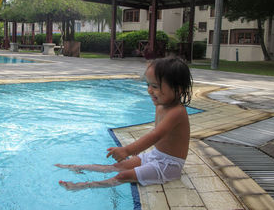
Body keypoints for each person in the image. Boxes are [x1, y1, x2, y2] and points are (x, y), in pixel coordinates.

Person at [55, 56, 193, 190]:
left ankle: (85, 186)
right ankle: (79, 167)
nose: (149, 90)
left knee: (123, 175)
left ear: (178, 88)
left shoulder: (177, 112)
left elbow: (155, 135)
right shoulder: (160, 105)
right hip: (156, 155)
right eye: (148, 84)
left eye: (155, 86)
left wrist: (127, 150)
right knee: (118, 166)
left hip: (169, 165)